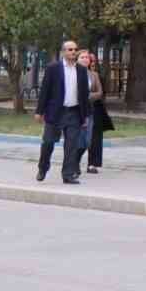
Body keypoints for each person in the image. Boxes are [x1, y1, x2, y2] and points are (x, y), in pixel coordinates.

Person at [35, 40, 89, 184]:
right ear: (63, 52)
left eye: (75, 49)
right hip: (56, 112)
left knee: (71, 145)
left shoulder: (82, 71)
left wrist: (85, 116)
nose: (73, 52)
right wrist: (39, 111)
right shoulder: (53, 68)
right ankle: (43, 167)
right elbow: (45, 91)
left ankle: (68, 174)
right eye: (70, 49)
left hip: (74, 112)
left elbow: (84, 95)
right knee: (48, 142)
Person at [80, 50, 112, 174]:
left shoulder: (95, 75)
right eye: (84, 58)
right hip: (79, 109)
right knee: (81, 138)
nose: (88, 61)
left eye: (90, 59)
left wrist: (87, 96)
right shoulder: (74, 74)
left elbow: (100, 93)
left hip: (94, 108)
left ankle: (93, 163)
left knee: (95, 137)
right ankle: (74, 161)